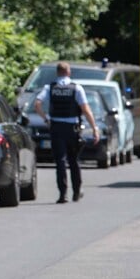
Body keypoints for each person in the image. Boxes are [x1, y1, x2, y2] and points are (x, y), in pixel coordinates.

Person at [33, 61, 99, 204]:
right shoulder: (76, 88)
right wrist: (94, 128)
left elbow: (37, 104)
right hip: (72, 129)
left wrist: (46, 119)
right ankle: (76, 191)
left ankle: (63, 194)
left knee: (60, 161)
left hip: (56, 127)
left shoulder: (49, 87)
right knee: (74, 161)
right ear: (69, 72)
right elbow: (85, 109)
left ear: (57, 72)